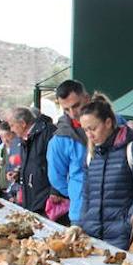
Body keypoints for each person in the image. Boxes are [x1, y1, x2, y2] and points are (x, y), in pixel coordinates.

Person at [79, 99, 133, 250]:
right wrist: (81, 224)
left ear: (108, 123)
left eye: (93, 128)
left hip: (122, 236)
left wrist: (128, 221)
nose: (89, 135)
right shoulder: (91, 155)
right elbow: (86, 195)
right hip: (92, 235)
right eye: (85, 130)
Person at [47, 80, 91, 226]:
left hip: (116, 214)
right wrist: (77, 192)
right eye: (66, 109)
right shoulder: (59, 139)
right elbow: (56, 178)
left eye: (76, 106)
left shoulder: (114, 124)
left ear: (87, 98)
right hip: (81, 213)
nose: (72, 114)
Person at [8, 107, 55, 215]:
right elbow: (32, 164)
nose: (11, 130)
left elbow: (55, 165)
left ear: (23, 123)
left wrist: (54, 192)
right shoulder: (26, 138)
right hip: (31, 197)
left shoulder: (47, 133)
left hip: (45, 200)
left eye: (12, 125)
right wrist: (19, 174)